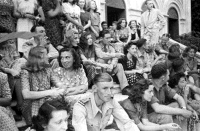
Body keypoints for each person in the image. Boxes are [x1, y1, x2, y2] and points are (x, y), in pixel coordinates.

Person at [72, 73, 140, 131]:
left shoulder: (111, 100)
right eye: (105, 88)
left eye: (111, 88)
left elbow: (127, 122)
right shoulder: (80, 107)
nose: (109, 93)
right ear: (94, 89)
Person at [21, 46, 65, 124]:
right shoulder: (26, 72)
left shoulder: (47, 69)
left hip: (47, 101)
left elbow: (58, 83)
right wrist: (50, 92)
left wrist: (60, 87)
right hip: (32, 104)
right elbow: (26, 95)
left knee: (59, 99)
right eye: (46, 54)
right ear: (39, 57)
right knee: (43, 101)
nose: (48, 56)